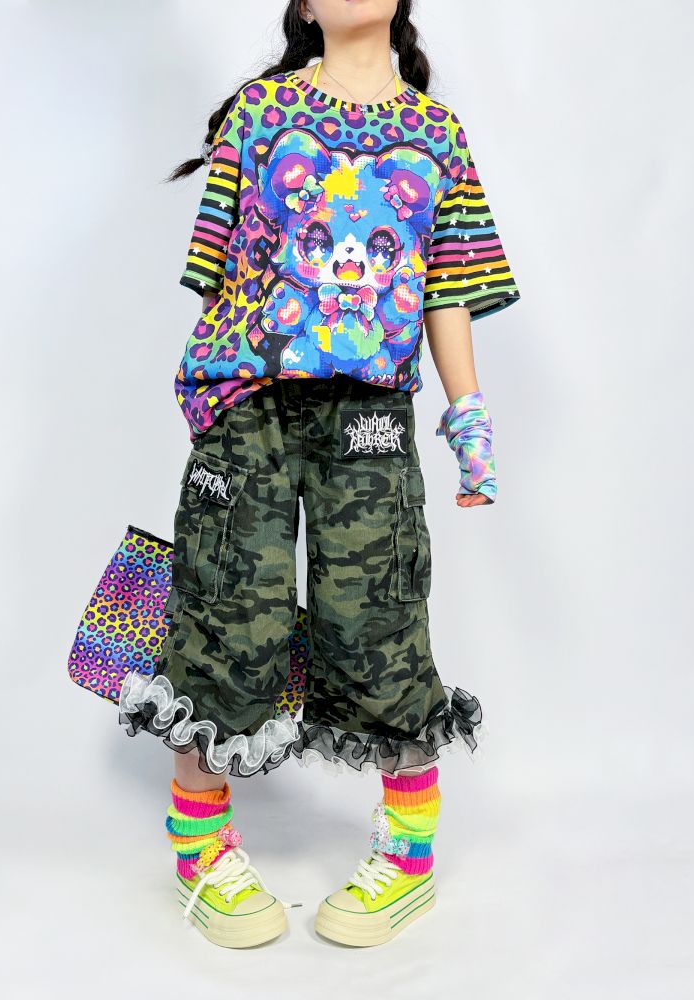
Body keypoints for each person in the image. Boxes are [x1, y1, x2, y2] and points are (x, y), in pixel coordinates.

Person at [118, 0, 520, 949]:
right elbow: (221, 277)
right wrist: (207, 398)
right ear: (302, 4)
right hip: (250, 406)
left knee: (379, 620)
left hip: (370, 416)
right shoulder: (258, 115)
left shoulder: (438, 133)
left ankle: (409, 858)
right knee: (227, 615)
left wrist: (468, 417)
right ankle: (200, 849)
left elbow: (448, 284)